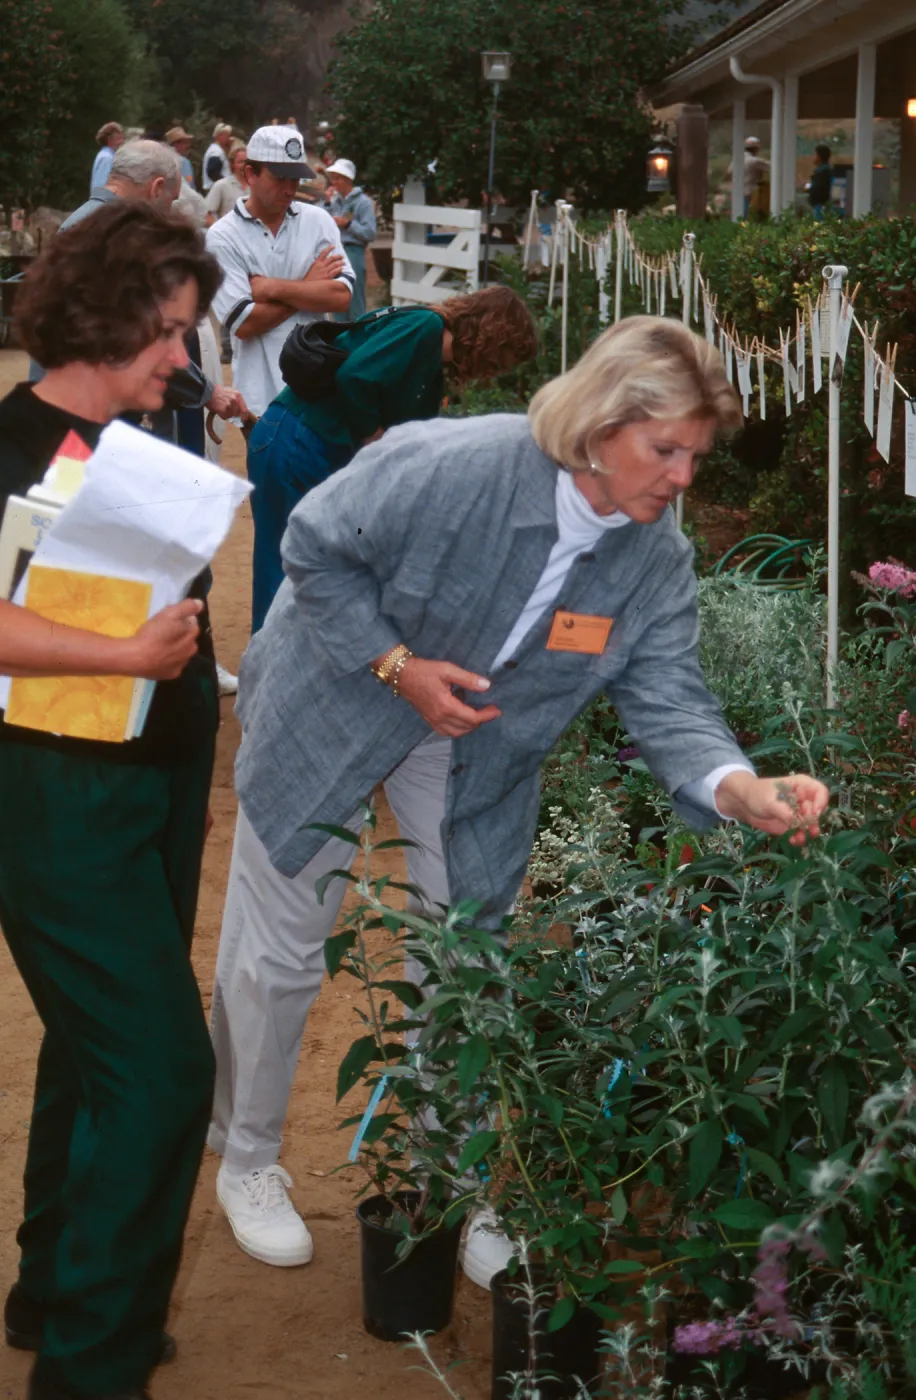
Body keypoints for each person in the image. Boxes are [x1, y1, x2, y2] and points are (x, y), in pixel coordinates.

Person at [207, 316, 831, 1279]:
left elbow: (668, 690)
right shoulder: (450, 464)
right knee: (283, 945)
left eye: (696, 456)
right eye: (665, 450)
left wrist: (739, 785)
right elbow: (314, 547)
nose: (682, 479)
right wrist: (397, 663)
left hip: (475, 747)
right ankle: (245, 1156)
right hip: (337, 693)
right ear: (599, 427)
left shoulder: (652, 556)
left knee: (464, 956)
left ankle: (446, 1176)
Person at [0, 200, 225, 1400]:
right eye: (171, 333)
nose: (184, 358)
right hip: (58, 792)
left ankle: (51, 1290)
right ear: (106, 318)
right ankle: (91, 1366)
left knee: (97, 1059)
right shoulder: (7, 444)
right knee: (161, 1071)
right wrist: (126, 659)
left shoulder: (141, 452)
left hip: (156, 779)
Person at [245, 285, 538, 631]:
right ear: (493, 337)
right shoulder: (424, 327)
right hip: (296, 440)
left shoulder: (433, 364)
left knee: (311, 562)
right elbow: (355, 377)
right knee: (288, 564)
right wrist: (374, 437)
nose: (499, 370)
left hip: (313, 445)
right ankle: (267, 672)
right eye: (506, 358)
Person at [205, 124, 354, 418]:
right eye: (279, 177)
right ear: (250, 174)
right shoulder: (223, 236)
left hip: (317, 385)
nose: (290, 188)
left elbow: (341, 296)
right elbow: (244, 323)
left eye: (296, 177)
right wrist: (309, 285)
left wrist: (272, 288)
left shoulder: (318, 221)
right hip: (258, 396)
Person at [324, 158, 377, 320]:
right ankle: (340, 339)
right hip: (336, 253)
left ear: (348, 179)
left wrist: (347, 224)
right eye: (332, 178)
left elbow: (369, 233)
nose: (334, 182)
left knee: (355, 300)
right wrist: (326, 204)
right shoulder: (334, 202)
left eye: (337, 178)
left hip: (354, 251)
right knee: (337, 298)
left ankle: (359, 338)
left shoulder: (363, 203)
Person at [205, 140, 248, 225]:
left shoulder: (257, 186)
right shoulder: (221, 185)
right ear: (232, 164)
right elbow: (207, 215)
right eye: (240, 162)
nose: (244, 165)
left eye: (246, 161)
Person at [728, 136, 770, 217]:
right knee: (750, 216)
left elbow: (729, 172)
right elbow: (773, 168)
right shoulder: (755, 161)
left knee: (739, 216)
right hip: (751, 193)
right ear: (756, 149)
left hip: (737, 192)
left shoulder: (736, 160)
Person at [89, 121, 123, 192]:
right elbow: (101, 188)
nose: (122, 142)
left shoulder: (106, 155)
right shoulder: (107, 158)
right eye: (119, 139)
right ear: (109, 140)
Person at [202, 122, 233, 190]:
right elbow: (212, 171)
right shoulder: (215, 151)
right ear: (219, 136)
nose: (228, 138)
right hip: (215, 189)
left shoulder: (217, 150)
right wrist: (225, 184)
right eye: (226, 135)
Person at [807, 143, 834, 219]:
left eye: (815, 155)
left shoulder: (823, 172)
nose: (813, 157)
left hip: (820, 205)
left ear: (819, 157)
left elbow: (818, 189)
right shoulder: (823, 171)